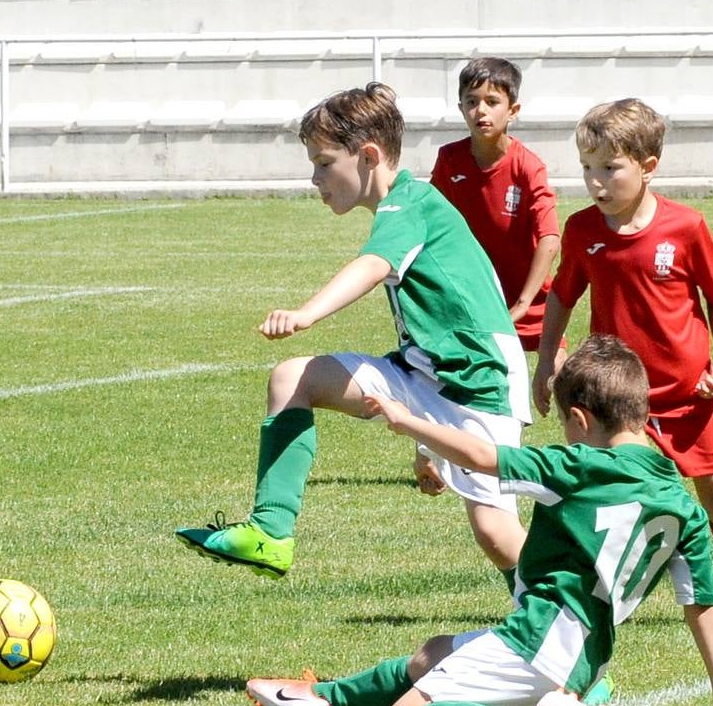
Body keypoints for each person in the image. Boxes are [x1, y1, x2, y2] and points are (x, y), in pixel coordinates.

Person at [245, 335, 713, 706]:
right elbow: (704, 607)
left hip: (538, 643)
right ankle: (325, 697)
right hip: (586, 652)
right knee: (433, 654)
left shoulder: (578, 466)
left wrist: (410, 423)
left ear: (578, 420)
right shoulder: (682, 503)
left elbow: (483, 456)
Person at [175, 83, 530, 582]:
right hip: (428, 375)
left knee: (495, 531)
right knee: (293, 378)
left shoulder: (411, 204)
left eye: (323, 163)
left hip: (482, 384)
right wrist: (427, 444)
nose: (315, 177)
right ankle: (271, 531)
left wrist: (307, 314)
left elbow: (373, 265)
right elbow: (434, 329)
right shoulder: (400, 208)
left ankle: (568, 607)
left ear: (367, 155)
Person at [532, 97, 713, 626]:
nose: (595, 181)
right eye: (587, 168)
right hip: (618, 401)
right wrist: (547, 360)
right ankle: (585, 597)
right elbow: (561, 297)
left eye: (609, 167)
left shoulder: (686, 227)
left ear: (648, 167)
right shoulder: (583, 231)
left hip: (689, 396)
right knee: (608, 497)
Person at [430, 57, 561, 353]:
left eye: (492, 101)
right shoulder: (449, 160)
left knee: (555, 375)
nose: (481, 111)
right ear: (461, 108)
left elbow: (550, 239)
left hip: (528, 301)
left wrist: (525, 303)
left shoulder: (528, 167)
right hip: (472, 296)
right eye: (472, 101)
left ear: (513, 110)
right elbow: (432, 222)